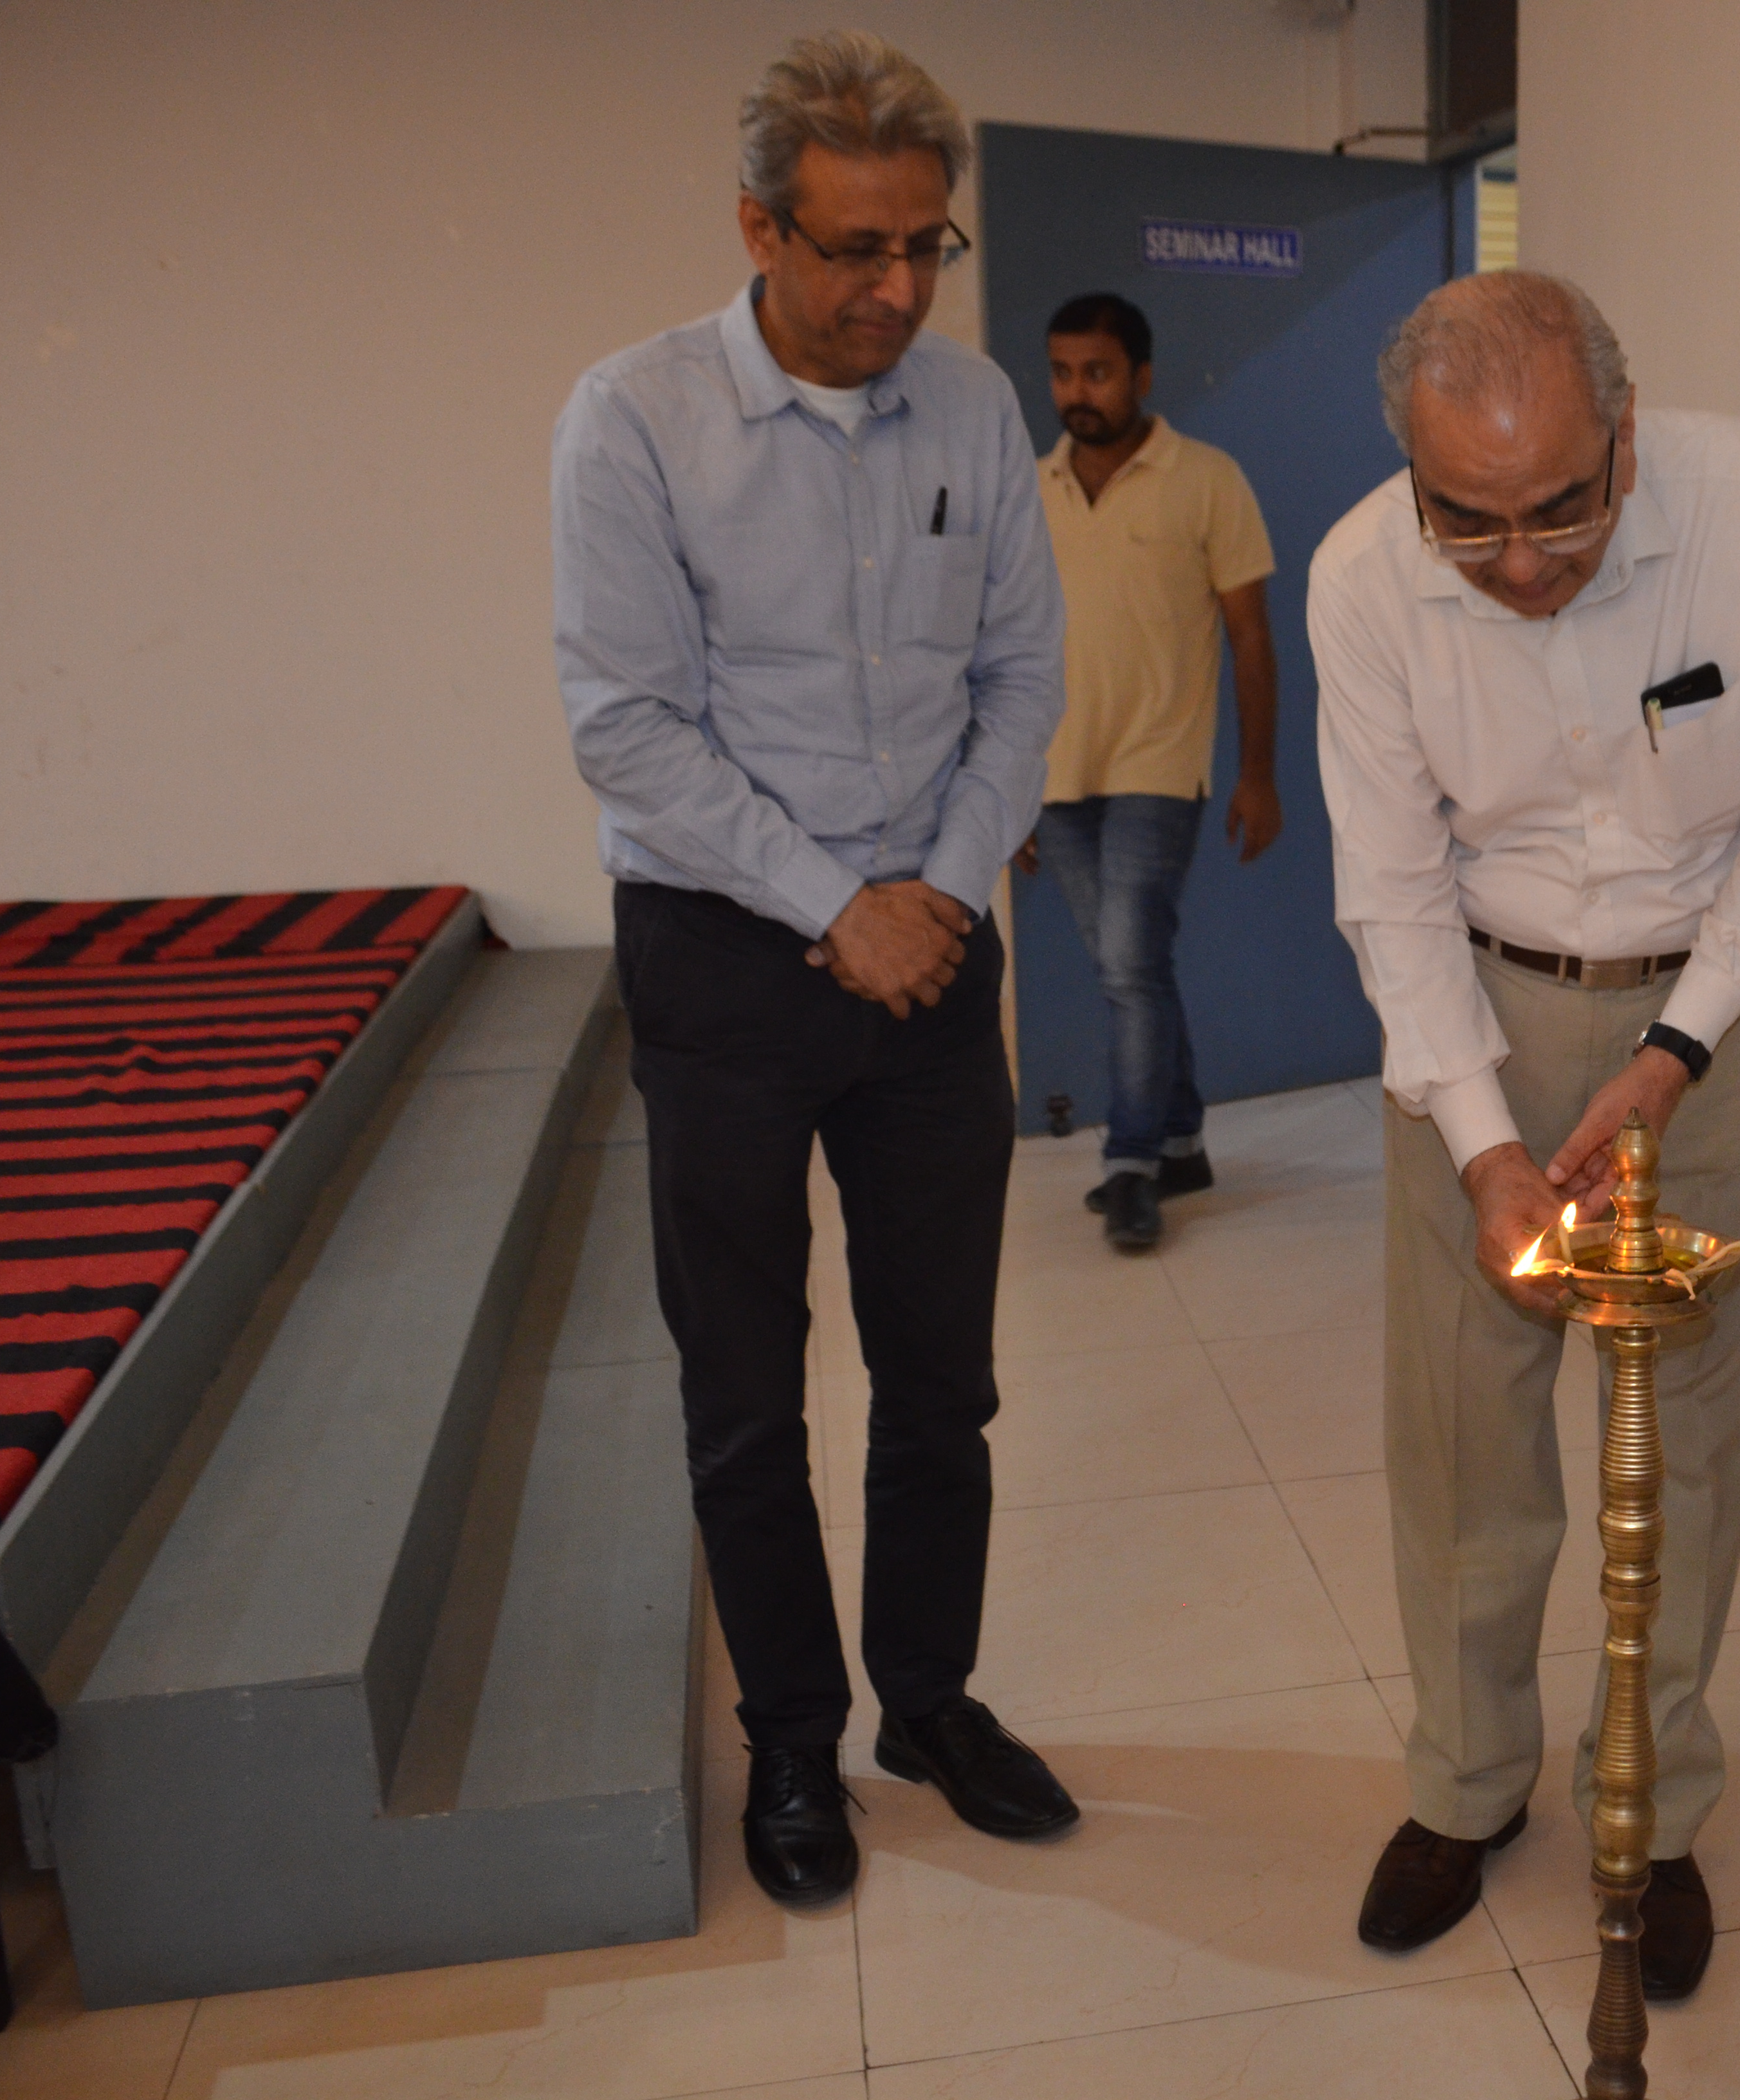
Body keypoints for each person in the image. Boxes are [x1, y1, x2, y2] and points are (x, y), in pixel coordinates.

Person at [551, 30, 1078, 1910]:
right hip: (725, 957)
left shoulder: (973, 410)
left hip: (929, 951)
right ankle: (790, 1736)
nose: (898, 292)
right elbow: (627, 725)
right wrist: (830, 904)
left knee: (943, 1376)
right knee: (745, 1390)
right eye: (858, 249)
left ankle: (925, 1700)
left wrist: (934, 889)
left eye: (926, 247)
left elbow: (1021, 678)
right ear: (759, 229)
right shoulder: (635, 418)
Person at [1310, 271, 1740, 1998]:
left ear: (1624, 432)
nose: (1524, 564)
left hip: (1714, 1017)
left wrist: (1677, 1051)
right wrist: (1482, 1146)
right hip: (1476, 1013)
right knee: (1464, 1433)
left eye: (1561, 509)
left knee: (1689, 1438)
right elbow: (1393, 890)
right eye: (1467, 522)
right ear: (1411, 473)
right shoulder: (1359, 577)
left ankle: (1656, 1801)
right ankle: (1464, 1786)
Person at [1014, 293, 1281, 1251]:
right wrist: (1004, 787)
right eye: (1062, 373)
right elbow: (1001, 645)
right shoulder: (1028, 489)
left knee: (1129, 965)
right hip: (1054, 772)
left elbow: (1251, 639)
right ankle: (1182, 1140)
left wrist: (1258, 773)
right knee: (1131, 966)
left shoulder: (1206, 479)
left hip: (1160, 766)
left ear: (1142, 376)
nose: (1076, 392)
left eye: (1097, 372)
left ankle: (1130, 1164)